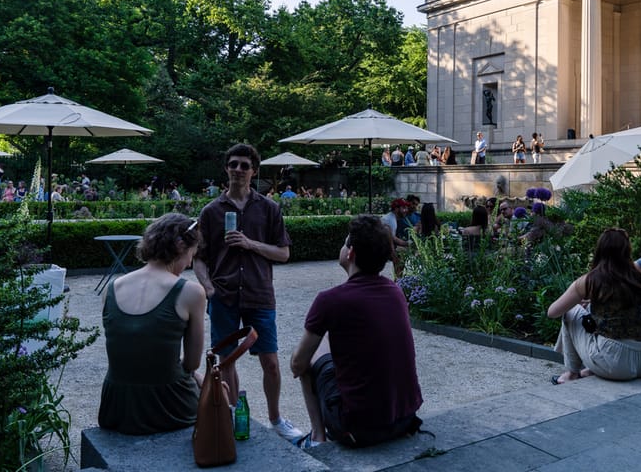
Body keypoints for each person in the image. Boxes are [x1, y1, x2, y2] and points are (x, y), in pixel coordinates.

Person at [193, 143, 304, 442]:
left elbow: (283, 254)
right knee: (226, 361)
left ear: (254, 171)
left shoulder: (269, 209)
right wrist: (208, 287)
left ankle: (276, 419)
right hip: (224, 296)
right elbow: (199, 257)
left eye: (244, 165)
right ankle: (230, 416)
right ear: (226, 169)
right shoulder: (211, 211)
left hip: (259, 295)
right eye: (233, 164)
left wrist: (250, 243)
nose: (238, 170)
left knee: (270, 361)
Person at [290, 215, 423, 448]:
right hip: (405, 418)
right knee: (330, 341)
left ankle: (317, 438)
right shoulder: (394, 292)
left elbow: (297, 365)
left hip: (358, 428)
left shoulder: (330, 300)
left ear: (350, 253)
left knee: (307, 357)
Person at [98, 213, 207, 434]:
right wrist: (197, 376)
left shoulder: (113, 287)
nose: (188, 264)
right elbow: (192, 363)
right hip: (169, 407)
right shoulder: (190, 291)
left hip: (117, 407)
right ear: (180, 246)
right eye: (191, 255)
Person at [547, 228, 641, 383]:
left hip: (616, 363)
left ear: (599, 250)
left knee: (571, 310)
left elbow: (553, 312)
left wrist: (579, 298)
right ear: (627, 250)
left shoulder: (592, 280)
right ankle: (591, 370)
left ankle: (572, 373)